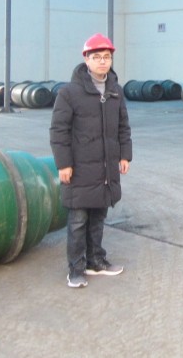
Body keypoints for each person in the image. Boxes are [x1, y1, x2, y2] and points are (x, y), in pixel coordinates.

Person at [50, 33, 132, 288]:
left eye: (106, 57)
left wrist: (125, 155)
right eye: (96, 57)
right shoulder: (69, 93)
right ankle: (76, 269)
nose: (102, 61)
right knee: (78, 221)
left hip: (106, 167)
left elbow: (123, 126)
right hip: (79, 168)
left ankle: (95, 261)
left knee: (98, 217)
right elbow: (59, 130)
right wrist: (63, 164)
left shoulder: (115, 91)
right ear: (86, 60)